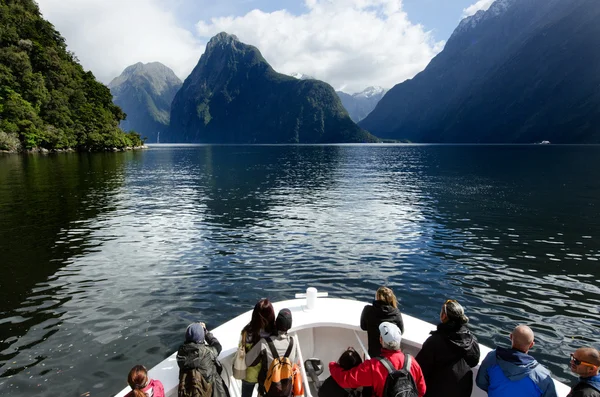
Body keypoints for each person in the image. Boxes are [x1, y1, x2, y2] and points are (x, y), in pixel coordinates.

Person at [329, 322, 426, 397]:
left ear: (381, 340)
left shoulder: (374, 366)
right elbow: (422, 390)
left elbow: (346, 380)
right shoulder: (412, 361)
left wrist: (333, 366)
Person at [415, 299, 480, 397]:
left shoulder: (434, 341)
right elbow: (474, 361)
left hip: (437, 390)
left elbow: (420, 368)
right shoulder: (471, 340)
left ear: (444, 316)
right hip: (462, 390)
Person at [476, 324, 557, 397]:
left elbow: (481, 383)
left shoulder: (492, 357)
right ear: (532, 344)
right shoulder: (542, 375)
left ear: (511, 337)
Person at [246, 308, 298, 396]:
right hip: (285, 391)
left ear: (276, 323)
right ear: (290, 325)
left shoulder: (264, 343)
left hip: (267, 391)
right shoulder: (293, 342)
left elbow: (248, 361)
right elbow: (294, 363)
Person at [176, 322, 229, 397]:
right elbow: (217, 346)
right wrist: (205, 331)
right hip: (210, 390)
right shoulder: (207, 352)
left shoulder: (180, 353)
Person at [240, 299, 276, 397]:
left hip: (249, 375)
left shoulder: (246, 332)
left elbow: (241, 351)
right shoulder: (274, 333)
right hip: (267, 375)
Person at [360, 286, 404, 358]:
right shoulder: (396, 313)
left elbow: (363, 327)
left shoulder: (368, 310)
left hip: (374, 354)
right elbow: (400, 331)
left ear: (377, 298)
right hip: (392, 356)